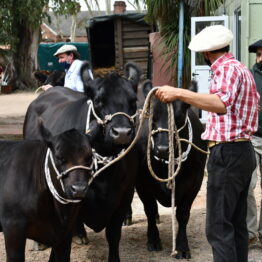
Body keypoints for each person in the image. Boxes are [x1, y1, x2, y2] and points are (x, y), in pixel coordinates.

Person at [155, 25, 259, 262]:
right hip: (243, 150)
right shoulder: (242, 69)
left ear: (205, 53)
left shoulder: (224, 70)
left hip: (227, 153)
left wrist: (179, 93)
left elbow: (220, 103)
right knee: (235, 223)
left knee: (218, 227)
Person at [246, 39, 262, 246]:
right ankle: (250, 233)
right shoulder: (249, 76)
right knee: (248, 186)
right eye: (258, 55)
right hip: (251, 137)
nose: (260, 59)